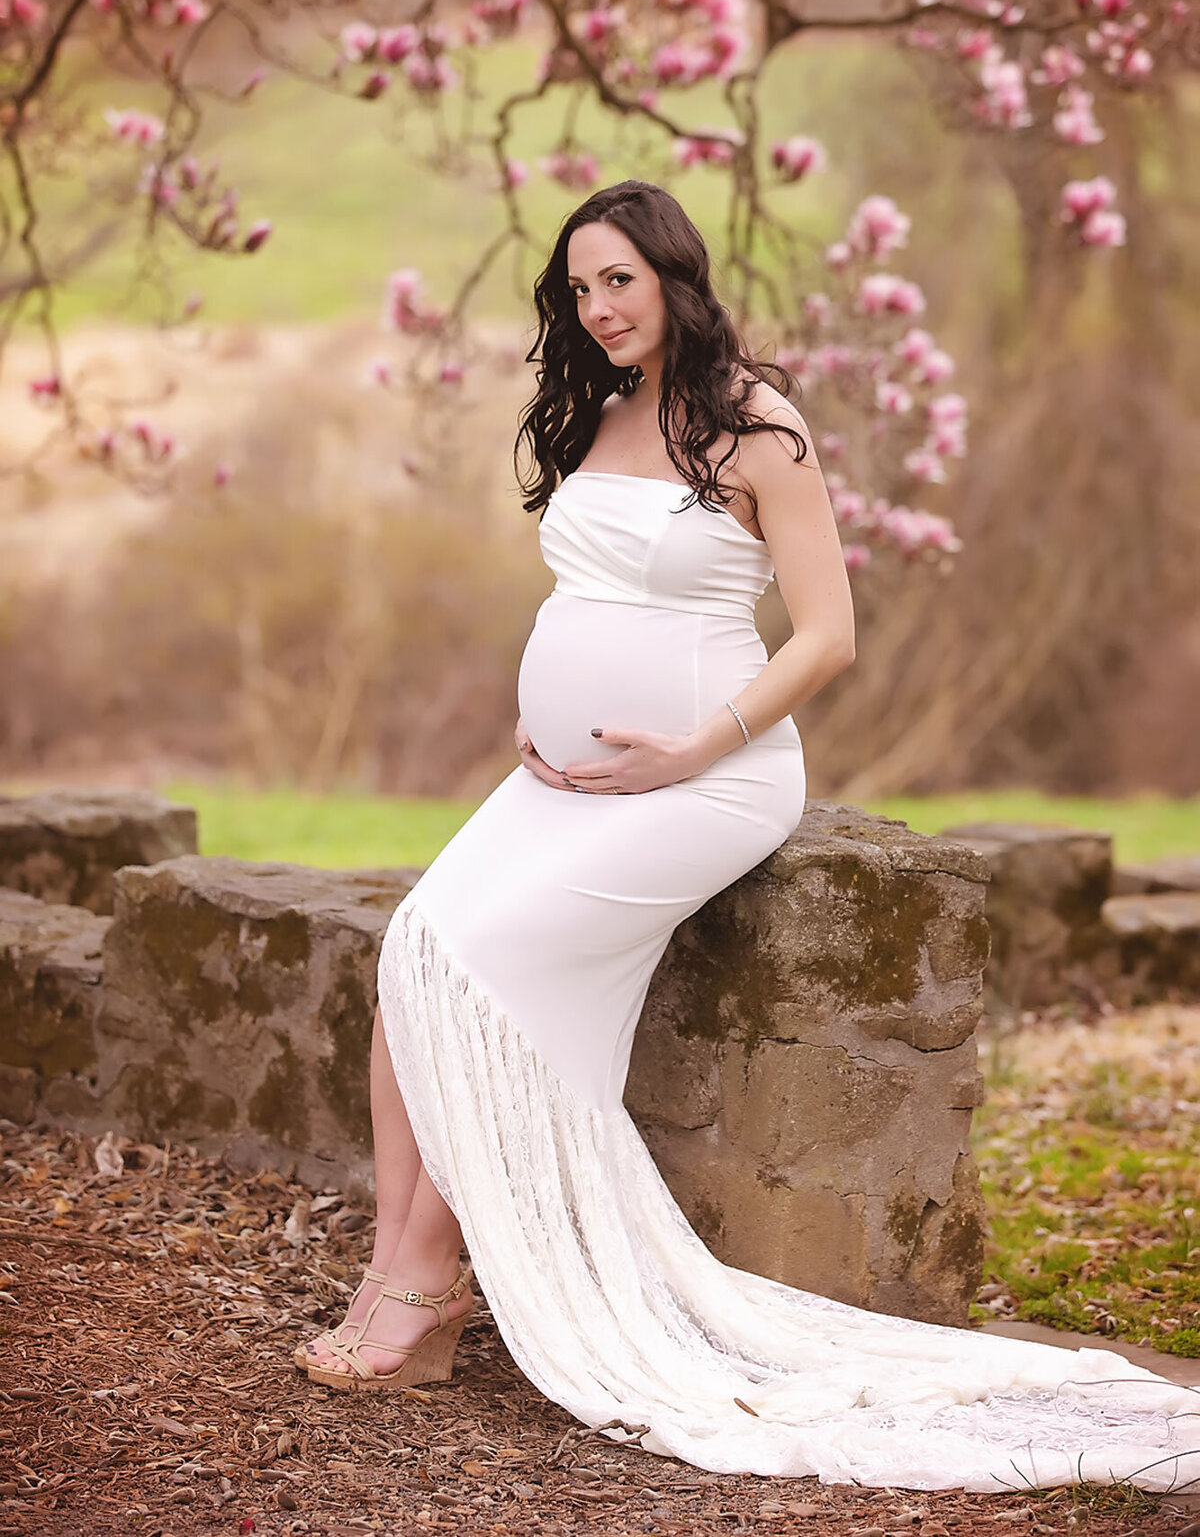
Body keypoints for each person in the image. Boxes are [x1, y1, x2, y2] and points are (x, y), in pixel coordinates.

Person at [297, 181, 1199, 1494]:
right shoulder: (599, 412)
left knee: (480, 974)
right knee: (413, 954)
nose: (599, 307)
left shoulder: (756, 424)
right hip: (563, 780)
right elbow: (594, 590)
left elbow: (829, 635)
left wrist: (687, 746)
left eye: (619, 280)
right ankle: (401, 1280)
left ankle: (427, 1288)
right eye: (581, 286)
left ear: (672, 273)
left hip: (707, 784)